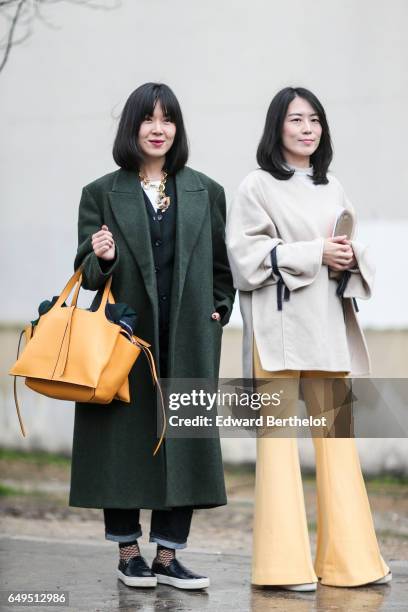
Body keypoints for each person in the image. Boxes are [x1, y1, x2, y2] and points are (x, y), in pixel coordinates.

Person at [69, 82, 235, 590]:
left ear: (177, 129)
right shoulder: (100, 192)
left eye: (168, 120)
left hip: (188, 336)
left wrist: (218, 312)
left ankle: (168, 558)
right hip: (124, 338)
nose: (158, 128)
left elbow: (219, 268)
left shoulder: (207, 190)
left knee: (184, 439)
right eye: (148, 119)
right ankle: (128, 553)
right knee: (121, 441)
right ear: (132, 128)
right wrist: (100, 257)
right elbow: (84, 277)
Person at [226, 87, 391, 590]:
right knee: (277, 449)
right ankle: (282, 569)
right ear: (277, 126)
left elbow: (345, 249)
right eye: (296, 119)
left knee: (337, 444)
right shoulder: (255, 186)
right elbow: (245, 258)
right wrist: (314, 253)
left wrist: (349, 256)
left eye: (314, 120)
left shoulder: (333, 187)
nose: (307, 128)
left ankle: (352, 564)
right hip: (276, 334)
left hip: (326, 328)